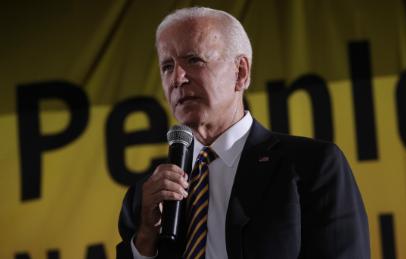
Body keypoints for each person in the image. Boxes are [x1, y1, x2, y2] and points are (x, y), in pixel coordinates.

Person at [116, 6, 370, 259]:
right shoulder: (147, 197)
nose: (177, 78)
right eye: (167, 66)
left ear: (240, 72)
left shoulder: (312, 165)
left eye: (194, 59)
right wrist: (147, 236)